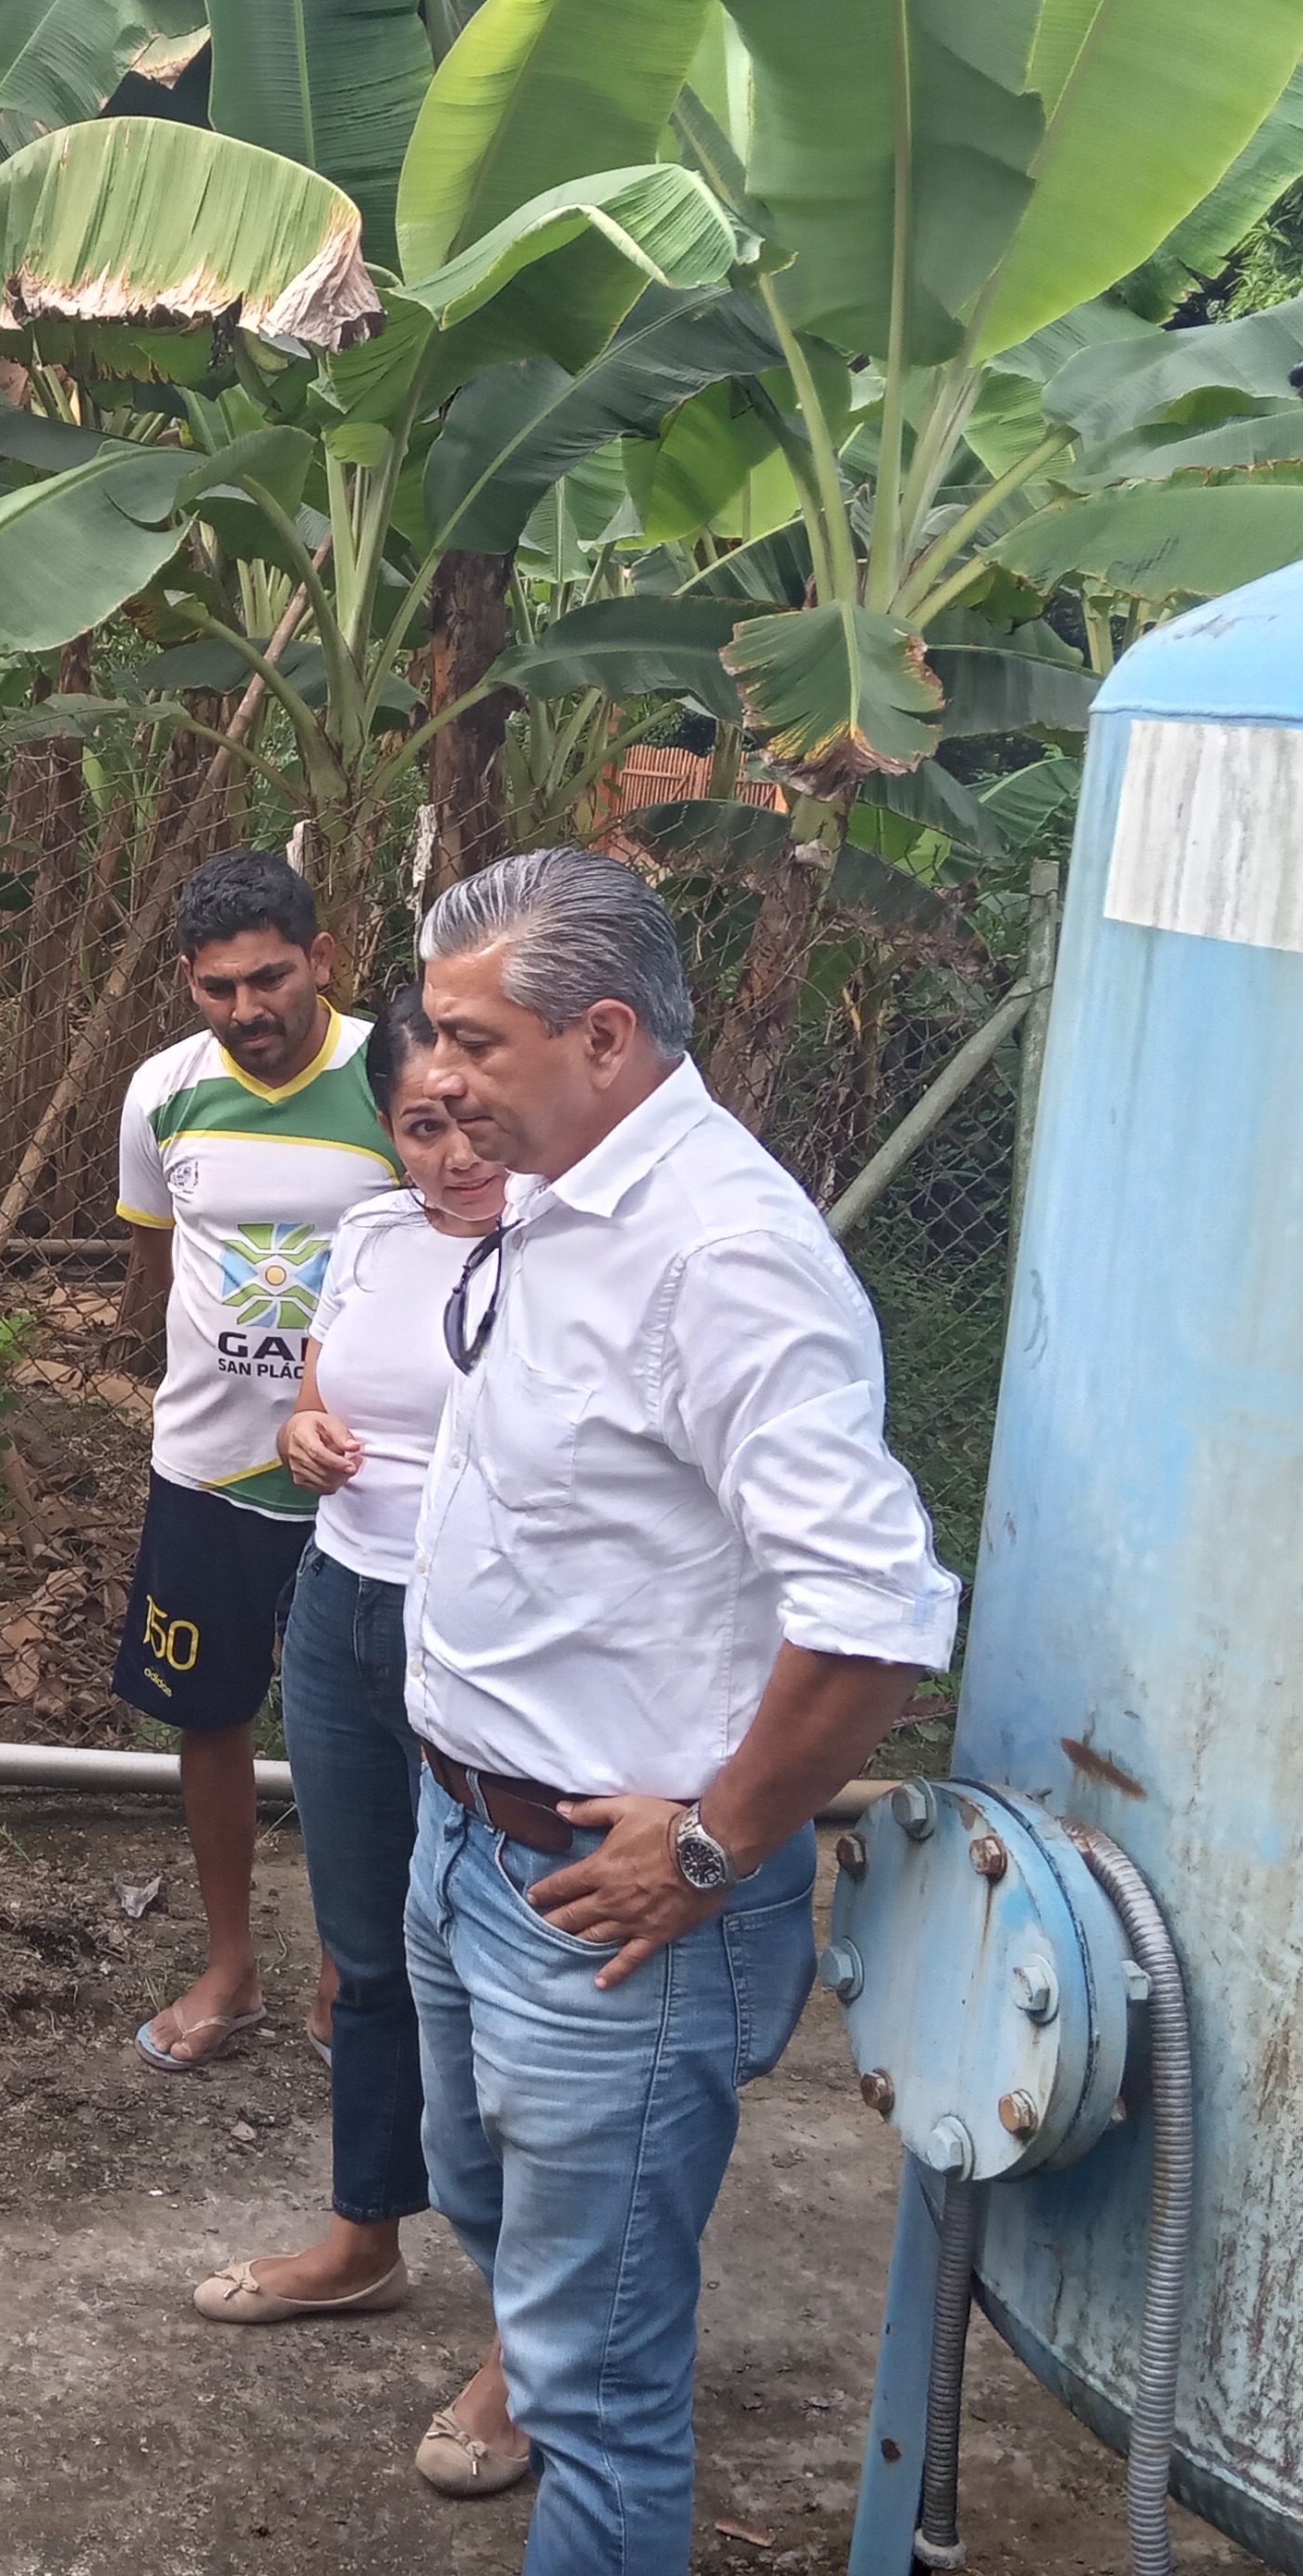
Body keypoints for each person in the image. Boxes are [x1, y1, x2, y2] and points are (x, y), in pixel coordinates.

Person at [405, 849, 957, 2569]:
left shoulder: (723, 1257)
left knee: (599, 2393)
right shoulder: (557, 1193)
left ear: (606, 1037)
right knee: (487, 2210)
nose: (437, 1077)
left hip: (614, 1907)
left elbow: (873, 1611)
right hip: (467, 1837)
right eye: (435, 1034)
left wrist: (715, 1847)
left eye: (473, 1043)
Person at [185, 984, 524, 2496]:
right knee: (367, 1952)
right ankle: (364, 2237)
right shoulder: (377, 1235)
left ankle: (529, 2338)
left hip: (496, 1641)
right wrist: (301, 1436)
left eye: (476, 1121)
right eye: (422, 1125)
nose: (456, 1155)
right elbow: (323, 1394)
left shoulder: (565, 1253)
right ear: (388, 1130)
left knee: (502, 1980)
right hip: (343, 1612)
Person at [112, 851, 398, 2071]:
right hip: (210, 1466)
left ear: (322, 959)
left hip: (370, 1479)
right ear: (189, 980)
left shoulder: (395, 1081)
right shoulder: (163, 1092)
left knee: (373, 1732)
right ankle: (231, 1965)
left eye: (272, 978)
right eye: (219, 987)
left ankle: (354, 1972)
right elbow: (156, 1259)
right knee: (210, 1716)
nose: (248, 1009)